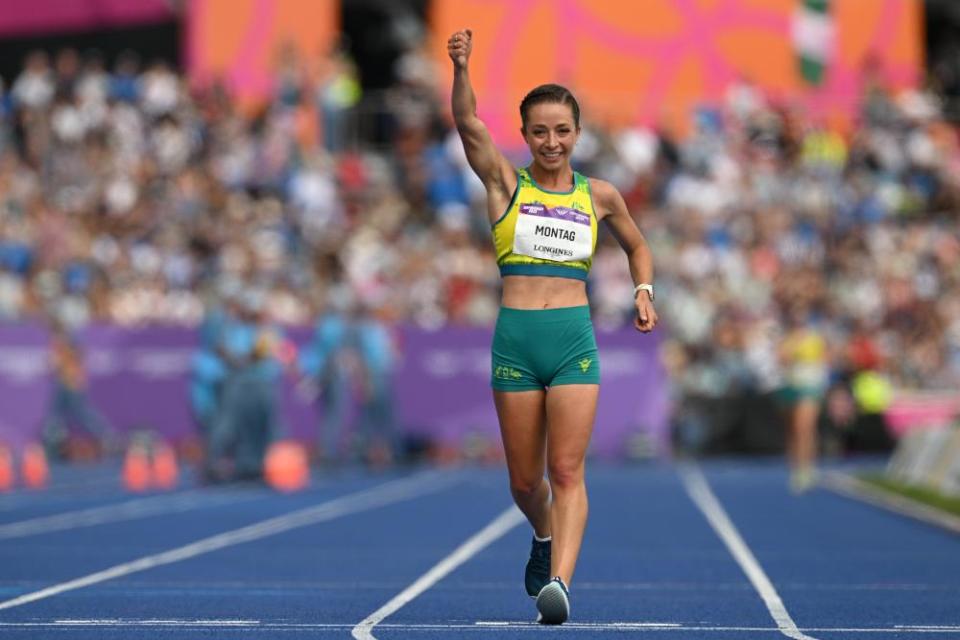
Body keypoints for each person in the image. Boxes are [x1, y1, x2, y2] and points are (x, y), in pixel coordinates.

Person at [447, 29, 657, 625]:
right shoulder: (505, 185)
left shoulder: (601, 195)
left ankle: (560, 583)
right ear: (525, 136)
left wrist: (644, 290)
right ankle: (542, 533)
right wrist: (462, 68)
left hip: (572, 342)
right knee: (523, 480)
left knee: (567, 470)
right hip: (516, 340)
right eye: (539, 131)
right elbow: (468, 125)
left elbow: (639, 248)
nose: (551, 142)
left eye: (562, 131)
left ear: (578, 135)